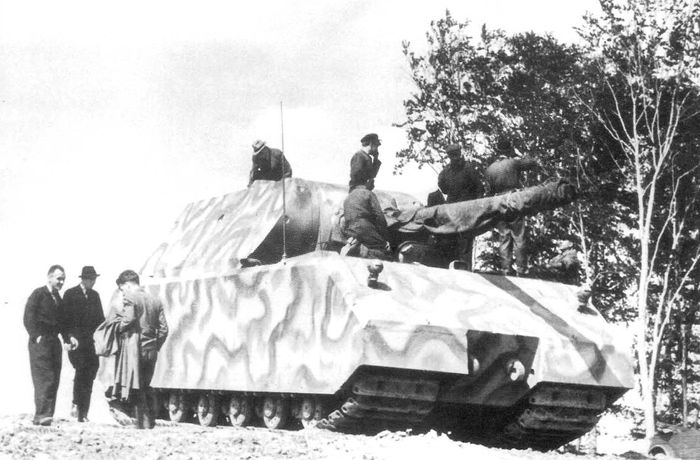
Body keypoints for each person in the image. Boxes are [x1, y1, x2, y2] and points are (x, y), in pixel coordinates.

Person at [108, 269, 168, 429]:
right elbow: (164, 330)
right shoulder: (156, 300)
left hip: (136, 350)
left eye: (122, 289)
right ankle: (149, 422)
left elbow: (129, 319)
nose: (122, 292)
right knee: (146, 385)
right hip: (152, 350)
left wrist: (116, 327)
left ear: (127, 285)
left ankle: (142, 424)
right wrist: (156, 345)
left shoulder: (130, 297)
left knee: (137, 387)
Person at [23, 265, 78, 426]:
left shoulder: (57, 298)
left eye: (63, 279)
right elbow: (28, 317)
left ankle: (47, 415)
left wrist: (68, 338)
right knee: (44, 378)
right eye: (58, 278)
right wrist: (36, 335)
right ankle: (41, 415)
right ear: (49, 277)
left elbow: (63, 322)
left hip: (54, 342)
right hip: (41, 342)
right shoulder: (38, 294)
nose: (61, 282)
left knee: (54, 378)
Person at [62, 265, 105, 422]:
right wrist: (68, 338)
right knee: (81, 372)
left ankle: (83, 412)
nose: (93, 282)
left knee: (91, 373)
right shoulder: (70, 294)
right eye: (90, 279)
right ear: (84, 279)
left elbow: (100, 320)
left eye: (94, 279)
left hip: (91, 344)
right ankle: (77, 406)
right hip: (76, 343)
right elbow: (63, 319)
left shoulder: (95, 296)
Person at [484, 156, 538, 275]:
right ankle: (522, 268)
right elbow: (531, 163)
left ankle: (506, 268)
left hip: (499, 202)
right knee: (519, 236)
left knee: (504, 237)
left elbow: (490, 190)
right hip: (513, 199)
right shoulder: (513, 162)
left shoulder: (490, 169)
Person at [437, 144, 484, 269]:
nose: (455, 158)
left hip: (464, 211)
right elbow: (444, 188)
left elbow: (479, 189)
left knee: (463, 242)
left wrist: (477, 208)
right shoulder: (449, 171)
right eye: (452, 156)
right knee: (454, 241)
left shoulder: (466, 169)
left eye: (455, 155)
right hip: (455, 211)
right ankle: (454, 267)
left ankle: (464, 268)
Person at [342, 179, 391, 260]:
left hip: (350, 229)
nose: (373, 186)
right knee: (382, 248)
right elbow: (379, 216)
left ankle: (353, 249)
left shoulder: (349, 196)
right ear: (367, 181)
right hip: (363, 228)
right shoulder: (368, 193)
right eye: (372, 182)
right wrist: (385, 238)